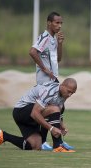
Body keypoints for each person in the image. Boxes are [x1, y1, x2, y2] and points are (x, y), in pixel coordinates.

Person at [0, 78, 77, 153]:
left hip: (31, 116)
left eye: (72, 93)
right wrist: (51, 128)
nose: (69, 95)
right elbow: (35, 113)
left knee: (36, 145)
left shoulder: (63, 94)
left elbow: (58, 111)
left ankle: (4, 136)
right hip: (21, 111)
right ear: (62, 85)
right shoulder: (50, 91)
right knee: (53, 109)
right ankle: (58, 146)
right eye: (69, 91)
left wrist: (61, 126)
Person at [29, 11, 74, 150]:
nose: (59, 25)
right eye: (57, 22)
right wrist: (44, 69)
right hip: (45, 81)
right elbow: (32, 52)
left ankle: (55, 142)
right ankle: (45, 142)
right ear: (49, 23)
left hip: (53, 80)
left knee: (59, 108)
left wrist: (60, 43)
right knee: (49, 109)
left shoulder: (53, 39)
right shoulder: (45, 37)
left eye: (61, 23)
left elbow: (58, 59)